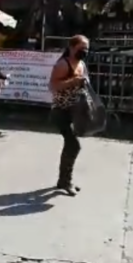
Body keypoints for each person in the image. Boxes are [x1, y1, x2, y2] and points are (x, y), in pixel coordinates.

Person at [48, 35, 90, 197]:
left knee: (70, 145)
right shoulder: (62, 64)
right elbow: (53, 86)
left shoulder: (81, 64)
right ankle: (66, 181)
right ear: (72, 48)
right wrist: (73, 82)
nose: (85, 51)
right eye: (81, 48)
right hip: (61, 111)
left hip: (75, 110)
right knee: (73, 145)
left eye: (87, 48)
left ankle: (63, 180)